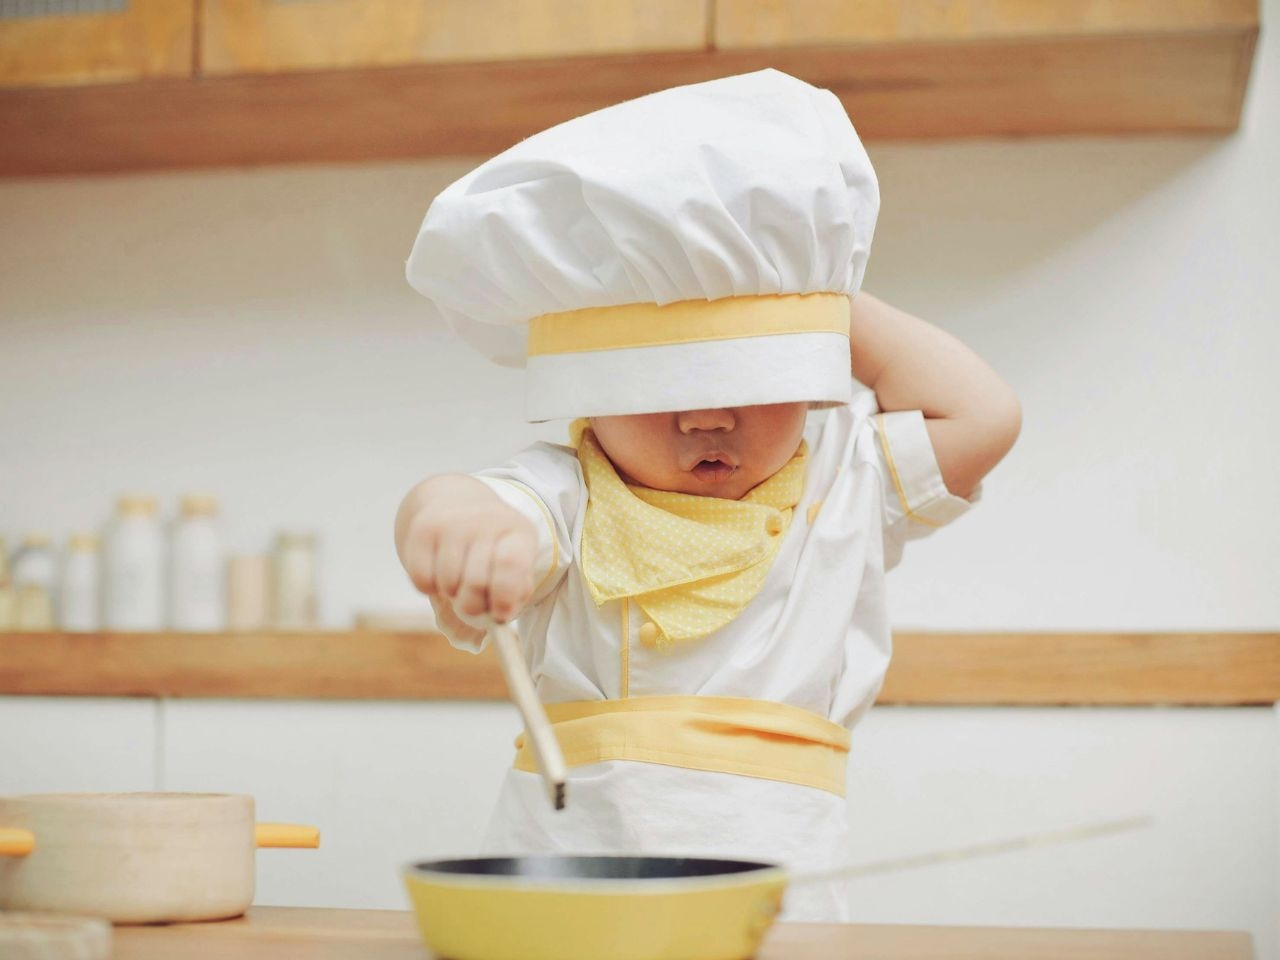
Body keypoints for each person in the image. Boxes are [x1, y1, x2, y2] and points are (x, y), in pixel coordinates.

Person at [394, 69, 1020, 921]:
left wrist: (809, 282)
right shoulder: (567, 492)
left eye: (755, 373)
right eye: (655, 382)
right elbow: (463, 501)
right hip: (568, 881)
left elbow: (985, 416)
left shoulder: (845, 479)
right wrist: (452, 521)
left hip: (781, 896)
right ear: (585, 391)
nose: (707, 413)